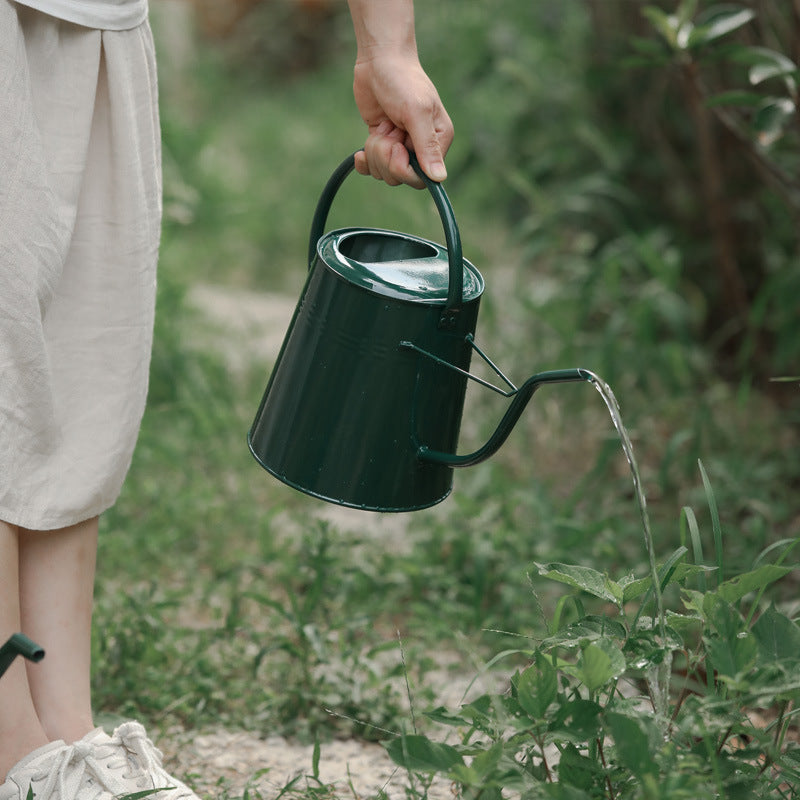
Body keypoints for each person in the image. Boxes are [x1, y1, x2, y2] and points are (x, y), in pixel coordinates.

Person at [0, 0, 453, 798]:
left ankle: (65, 735)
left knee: (80, 368)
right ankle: (9, 746)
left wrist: (390, 46)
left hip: (97, 20)